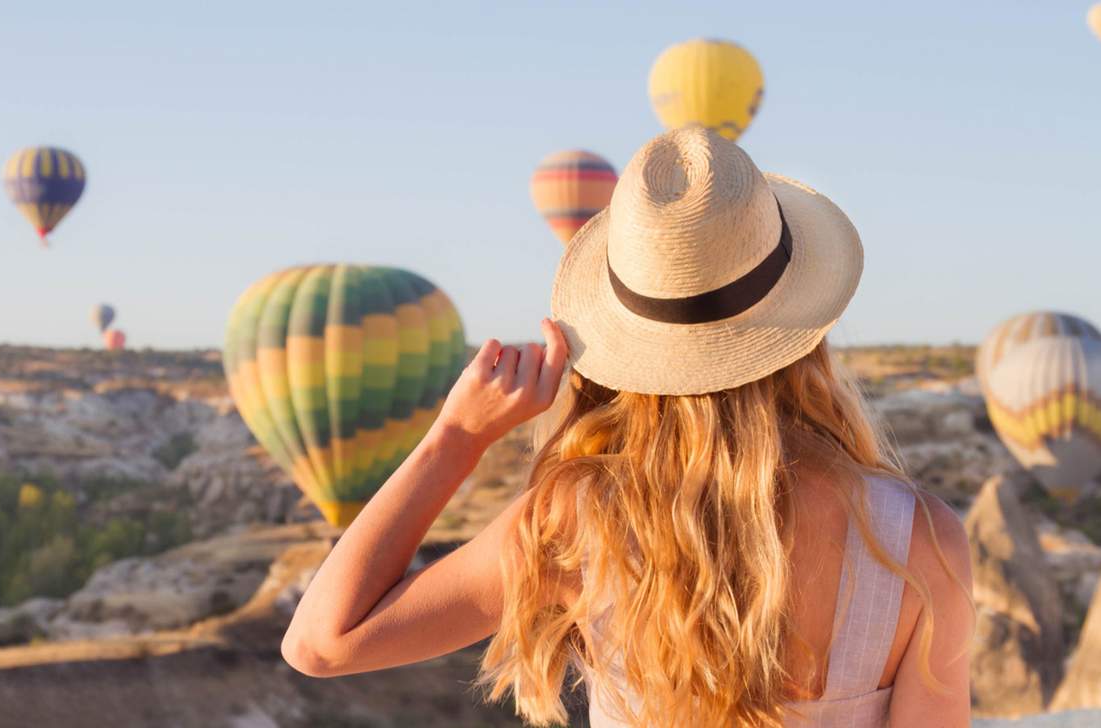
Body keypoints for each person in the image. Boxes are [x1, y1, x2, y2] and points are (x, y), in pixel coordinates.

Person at [282, 126, 975, 727]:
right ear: (805, 333)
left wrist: (454, 440)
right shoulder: (919, 538)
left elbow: (320, 643)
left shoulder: (580, 520)